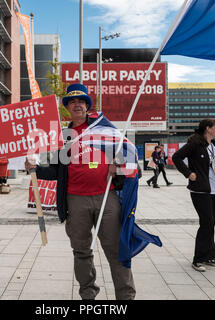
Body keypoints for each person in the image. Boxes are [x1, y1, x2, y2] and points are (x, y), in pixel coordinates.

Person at [25, 83, 136, 300]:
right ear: (67, 107)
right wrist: (35, 169)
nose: (77, 105)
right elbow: (56, 171)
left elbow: (126, 155)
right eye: (72, 102)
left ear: (87, 105)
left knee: (115, 251)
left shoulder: (103, 128)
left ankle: (126, 298)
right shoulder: (62, 135)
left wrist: (118, 166)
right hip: (75, 201)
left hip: (107, 198)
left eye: (81, 101)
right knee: (81, 251)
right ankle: (88, 295)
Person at [172, 119, 215, 272]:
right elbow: (176, 157)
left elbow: (214, 167)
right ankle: (198, 259)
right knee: (206, 222)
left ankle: (210, 256)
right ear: (208, 129)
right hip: (201, 189)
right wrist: (188, 173)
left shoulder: (213, 146)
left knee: (211, 224)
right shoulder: (195, 144)